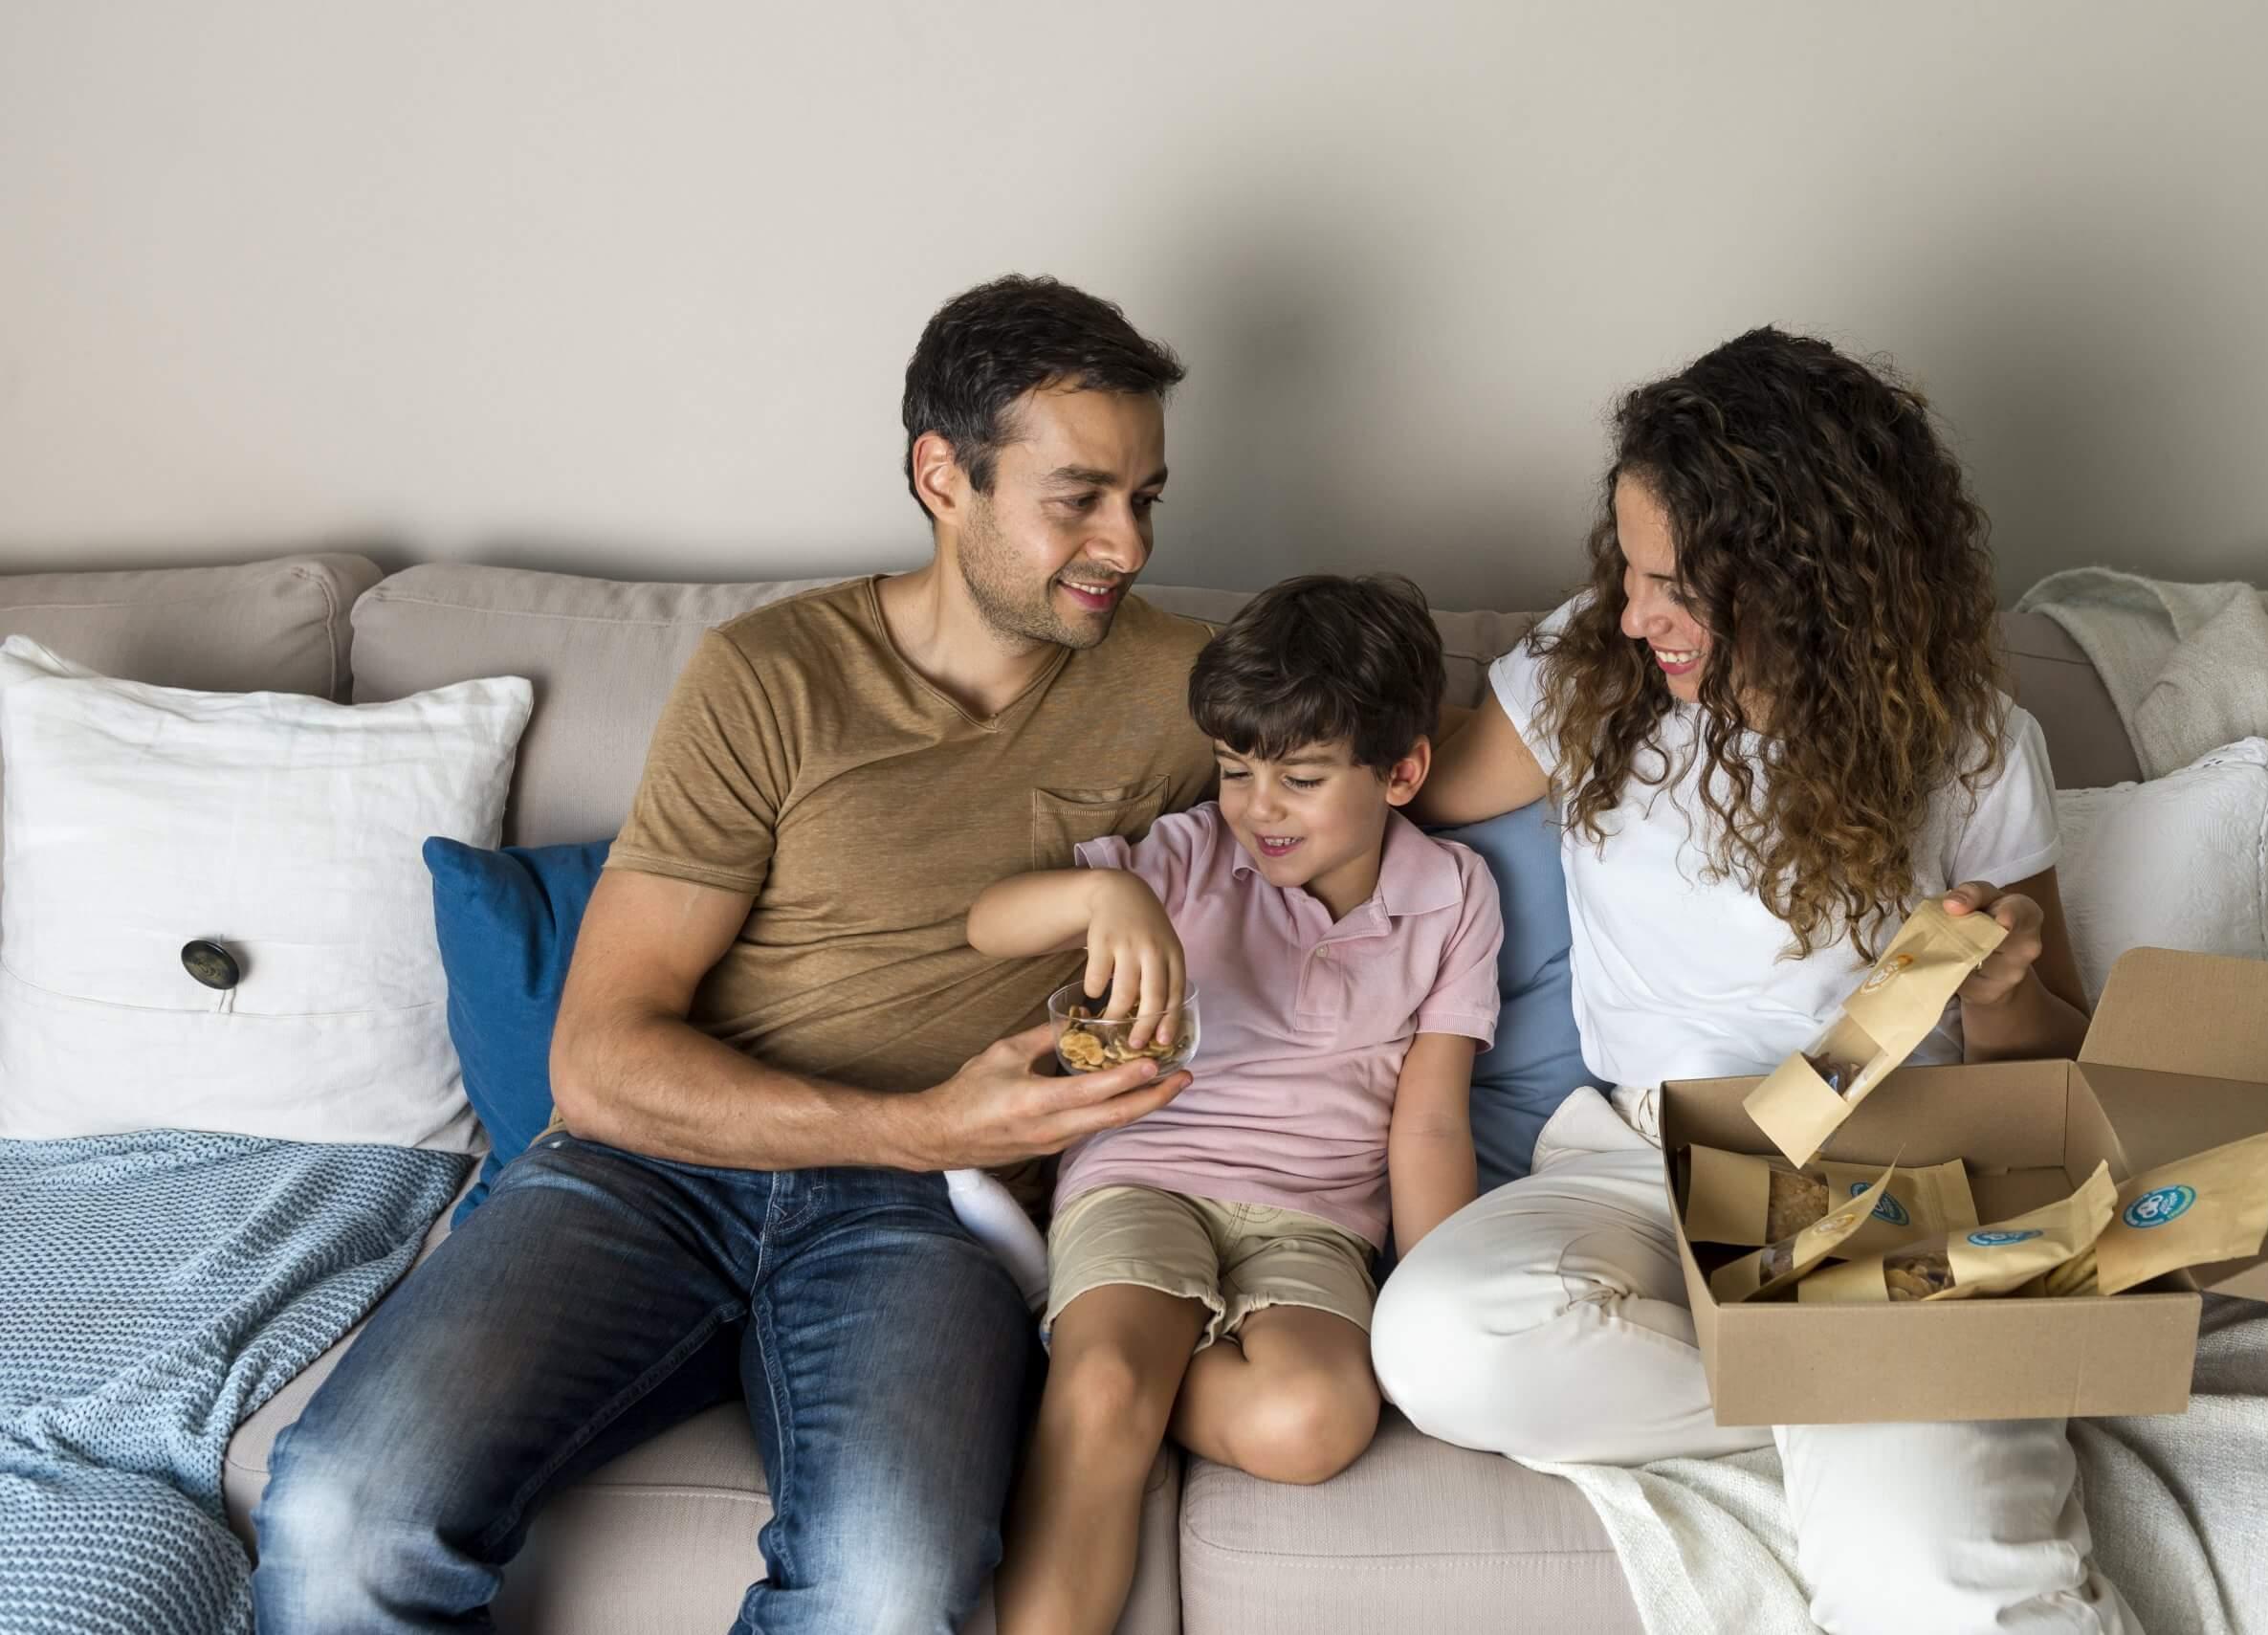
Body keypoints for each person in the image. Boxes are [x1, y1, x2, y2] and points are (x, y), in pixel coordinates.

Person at [250, 275, 1216, 1635]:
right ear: (944, 475)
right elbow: (598, 1058)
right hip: (655, 1177)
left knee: (887, 1589)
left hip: (927, 1220)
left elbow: (1410, 758)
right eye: (1080, 497)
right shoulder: (769, 676)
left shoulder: (1186, 685)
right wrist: (922, 1116)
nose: (1126, 542)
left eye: (1147, 496)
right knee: (343, 1511)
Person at [1370, 328, 2136, 1634]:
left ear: (1803, 581)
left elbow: (2045, 1063)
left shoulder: (1969, 742)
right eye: (1628, 568)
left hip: (1874, 1175)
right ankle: (1838, 1406)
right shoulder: (1589, 677)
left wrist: (2000, 976)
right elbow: (1409, 799)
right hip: (1630, 1153)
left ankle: (1891, 1409)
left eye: (1673, 585)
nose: (1632, 612)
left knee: (1942, 1576)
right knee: (1442, 1342)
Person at [971, 574, 1503, 1635]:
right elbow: (989, 922)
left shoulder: (1454, 895)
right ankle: (1101, 1355)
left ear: (1401, 771)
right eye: (1234, 770)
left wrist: (1434, 1307)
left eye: (1301, 778)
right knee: (1111, 1394)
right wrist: (1102, 896)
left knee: (1311, 1421)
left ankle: (1083, 1339)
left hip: (1314, 1220)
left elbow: (1432, 1120)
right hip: (1146, 1171)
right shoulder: (1187, 856)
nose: (1258, 807)